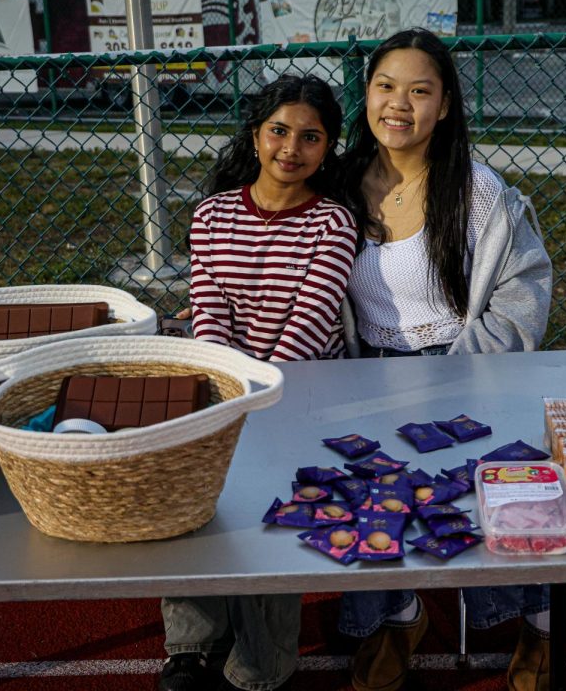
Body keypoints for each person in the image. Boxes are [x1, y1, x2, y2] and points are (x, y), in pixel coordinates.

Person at [336, 28, 554, 691]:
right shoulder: (339, 188)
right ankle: (401, 616)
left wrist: (449, 377)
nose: (398, 104)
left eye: (419, 90)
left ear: (446, 105)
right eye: (385, 86)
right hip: (365, 373)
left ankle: (540, 627)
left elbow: (522, 301)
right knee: (355, 486)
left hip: (465, 370)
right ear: (367, 95)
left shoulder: (483, 195)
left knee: (511, 487)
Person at [160, 73, 357, 691]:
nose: (290, 149)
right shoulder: (213, 214)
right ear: (255, 133)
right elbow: (210, 309)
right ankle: (190, 644)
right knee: (194, 491)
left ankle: (260, 665)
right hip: (227, 388)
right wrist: (226, 394)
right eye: (278, 131)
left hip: (300, 395)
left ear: (328, 149)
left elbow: (310, 320)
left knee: (273, 510)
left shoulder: (333, 222)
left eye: (310, 137)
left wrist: (258, 401)